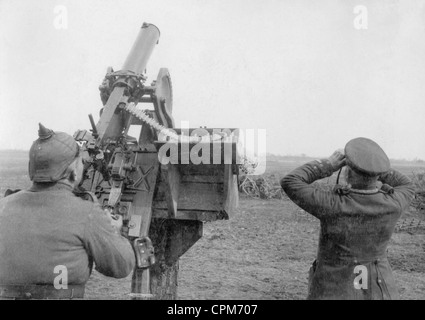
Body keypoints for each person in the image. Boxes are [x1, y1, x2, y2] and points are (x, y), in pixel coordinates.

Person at [0, 124, 135, 299]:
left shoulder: (4, 206)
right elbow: (121, 265)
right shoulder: (86, 212)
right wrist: (114, 232)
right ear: (73, 172)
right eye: (80, 162)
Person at [280, 137, 415, 300]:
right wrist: (373, 167)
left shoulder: (332, 204)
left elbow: (290, 181)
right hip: (378, 288)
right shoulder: (394, 203)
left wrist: (328, 164)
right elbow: (407, 185)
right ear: (378, 176)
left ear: (347, 173)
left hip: (333, 289)